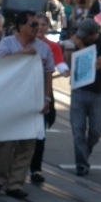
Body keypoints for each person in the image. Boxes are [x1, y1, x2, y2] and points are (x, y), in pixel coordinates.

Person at [0, 11, 54, 198]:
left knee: (27, 144)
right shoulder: (7, 43)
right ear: (21, 26)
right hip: (10, 100)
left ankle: (15, 184)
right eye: (33, 25)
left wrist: (47, 99)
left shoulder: (44, 48)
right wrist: (21, 54)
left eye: (39, 25)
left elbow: (49, 73)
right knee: (6, 143)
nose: (37, 28)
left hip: (33, 100)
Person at [67, 19, 101, 176]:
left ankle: (84, 153)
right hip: (78, 91)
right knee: (78, 130)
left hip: (98, 94)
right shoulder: (77, 43)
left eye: (84, 36)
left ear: (94, 34)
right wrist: (69, 49)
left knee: (96, 130)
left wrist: (80, 47)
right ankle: (82, 164)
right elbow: (68, 64)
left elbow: (97, 64)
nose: (81, 38)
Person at [30, 13, 70, 183]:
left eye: (43, 25)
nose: (40, 28)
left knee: (42, 129)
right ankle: (30, 167)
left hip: (45, 92)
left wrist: (65, 70)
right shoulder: (25, 44)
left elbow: (59, 63)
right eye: (37, 24)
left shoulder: (52, 46)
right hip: (26, 91)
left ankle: (36, 168)